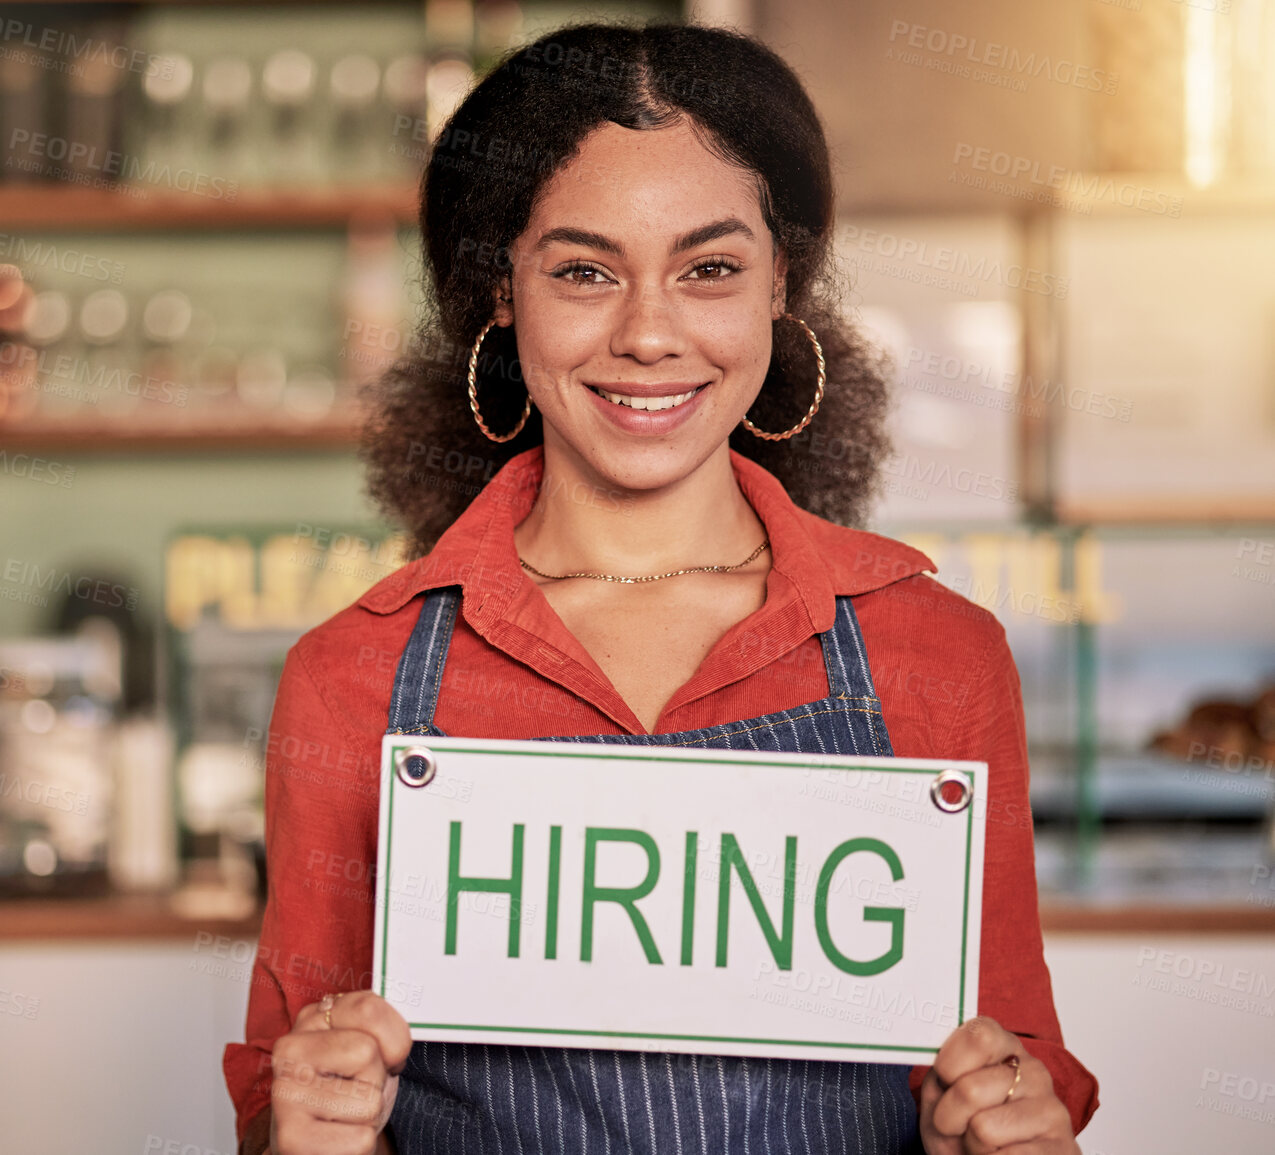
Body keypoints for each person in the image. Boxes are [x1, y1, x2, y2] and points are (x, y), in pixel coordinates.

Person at [222, 20, 1099, 1155]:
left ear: (782, 283)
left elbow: (1018, 1068)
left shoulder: (937, 656)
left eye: (711, 269)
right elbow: (283, 1107)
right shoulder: (355, 678)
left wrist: (1001, 1125)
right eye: (584, 271)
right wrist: (312, 1129)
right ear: (501, 289)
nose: (648, 333)